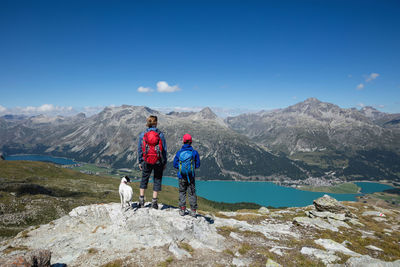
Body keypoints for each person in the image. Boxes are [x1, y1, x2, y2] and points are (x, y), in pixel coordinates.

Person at [137, 115, 167, 209]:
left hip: (146, 160)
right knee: (157, 180)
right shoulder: (160, 134)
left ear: (148, 123)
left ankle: (141, 201)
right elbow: (164, 150)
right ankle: (154, 202)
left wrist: (140, 161)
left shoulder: (143, 134)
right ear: (156, 123)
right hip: (158, 161)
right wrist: (164, 162)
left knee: (144, 179)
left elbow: (140, 149)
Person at [173, 134, 200, 217]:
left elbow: (175, 164)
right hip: (191, 176)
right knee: (192, 193)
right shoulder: (194, 152)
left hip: (181, 176)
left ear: (183, 141)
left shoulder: (179, 152)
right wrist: (190, 168)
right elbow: (198, 165)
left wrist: (182, 168)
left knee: (182, 192)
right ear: (191, 142)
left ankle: (182, 209)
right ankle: (193, 211)